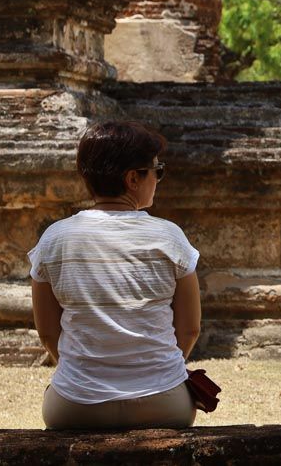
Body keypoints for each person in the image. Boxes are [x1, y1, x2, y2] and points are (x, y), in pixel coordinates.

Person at [28, 120, 202, 430]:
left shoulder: (54, 239)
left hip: (76, 405)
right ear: (133, 178)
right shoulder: (169, 237)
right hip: (164, 403)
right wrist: (158, 373)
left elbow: (48, 334)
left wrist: (85, 378)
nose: (158, 180)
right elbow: (190, 330)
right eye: (156, 171)